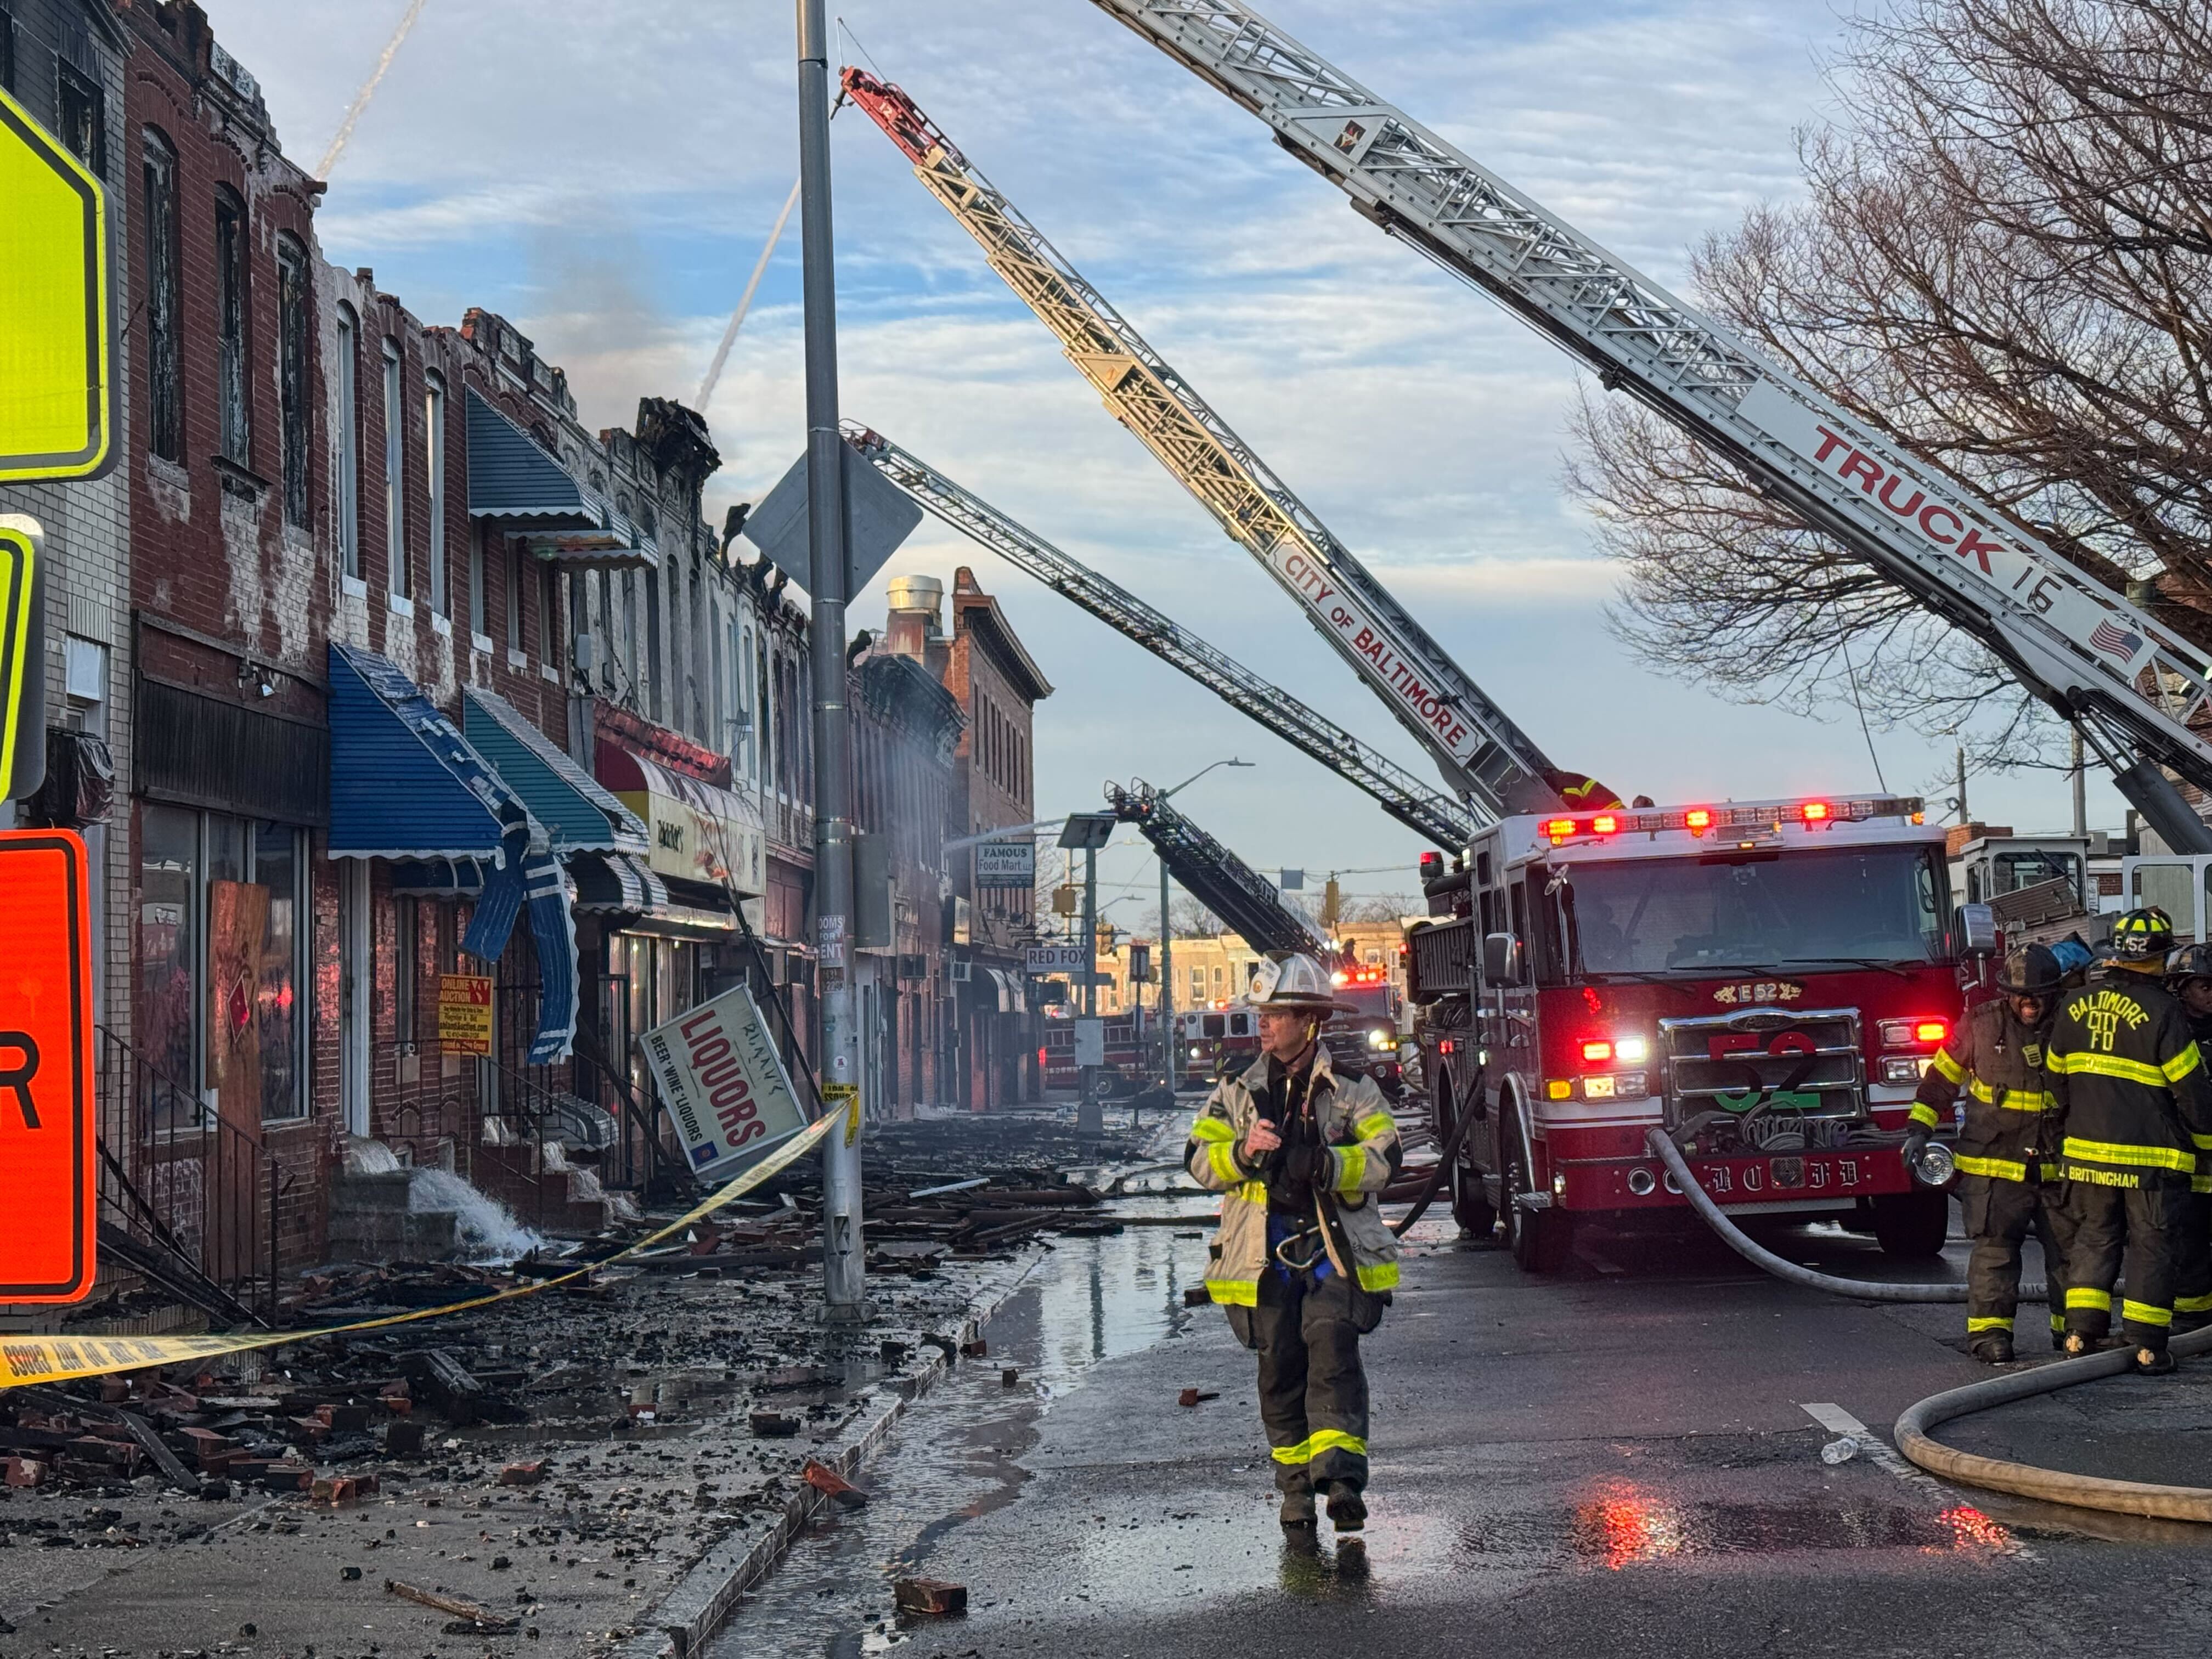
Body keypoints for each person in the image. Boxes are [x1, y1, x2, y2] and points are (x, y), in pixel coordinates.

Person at [1184, 952, 1401, 1536]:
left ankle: (1344, 1483)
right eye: (1262, 1014)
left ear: (1309, 1021)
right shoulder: (1236, 1090)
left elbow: (1387, 1157)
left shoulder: (1353, 1089)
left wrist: (1329, 1162)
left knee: (1331, 1349)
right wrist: (1244, 1151)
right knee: (1279, 1369)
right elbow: (1198, 1160)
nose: (1264, 1024)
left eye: (1276, 1015)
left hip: (1333, 1248)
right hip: (1263, 1256)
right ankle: (1297, 1492)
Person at [2046, 908, 2212, 1374]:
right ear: (2160, 958)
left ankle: (2080, 1333)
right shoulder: (2164, 1011)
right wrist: (2205, 1142)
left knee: (2095, 1238)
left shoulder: (2073, 1005)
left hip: (2086, 1155)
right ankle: (2145, 1344)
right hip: (2152, 1158)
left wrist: (2072, 1130)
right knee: (2151, 1245)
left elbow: (2055, 1081)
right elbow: (2190, 1090)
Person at [1905, 943, 2073, 1363]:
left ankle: (2073, 1333)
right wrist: (1919, 1129)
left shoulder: (2073, 1025)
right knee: (1995, 1254)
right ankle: (1990, 1337)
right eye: (2021, 994)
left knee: (2071, 1253)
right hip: (1996, 1165)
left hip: (2060, 1162)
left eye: (2038, 993)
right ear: (2006, 994)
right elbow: (1942, 1078)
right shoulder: (1981, 1025)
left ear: (2054, 991)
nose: (2029, 1002)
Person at [2167, 943, 2212, 1333]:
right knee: (2189, 1239)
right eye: (2205, 986)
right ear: (2182, 988)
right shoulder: (2171, 1031)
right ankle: (2193, 1317)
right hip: (2186, 1159)